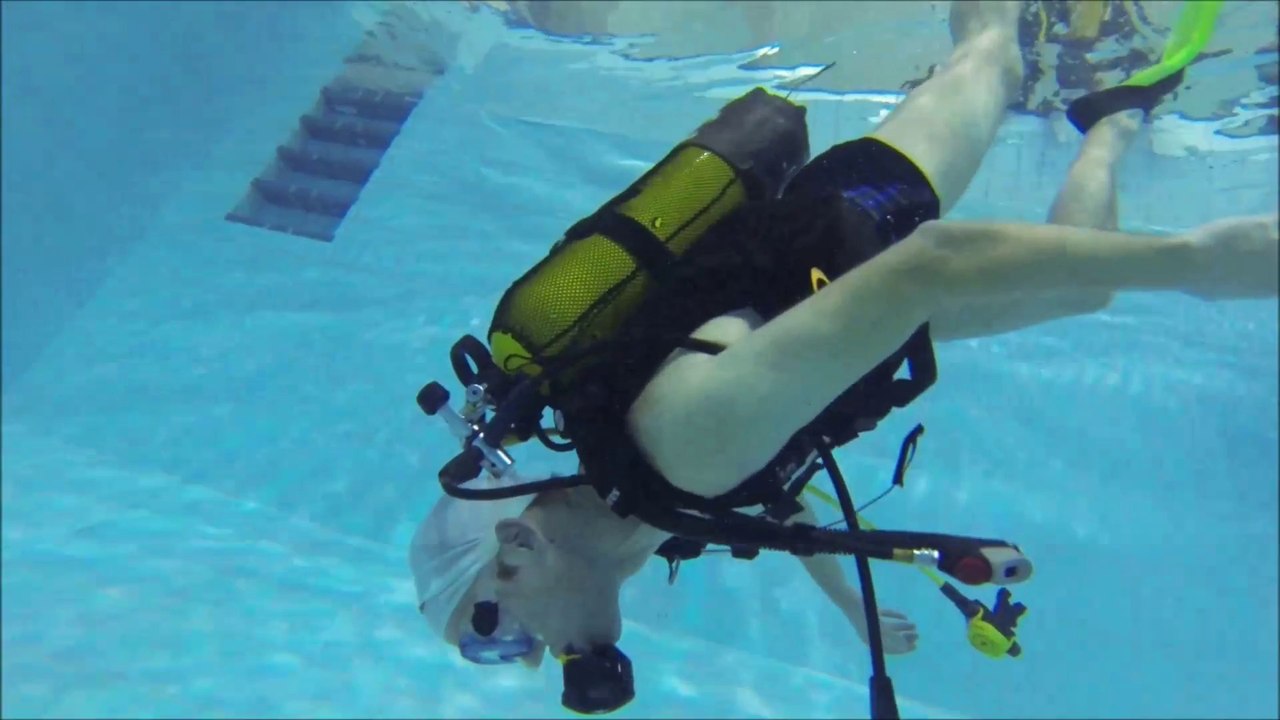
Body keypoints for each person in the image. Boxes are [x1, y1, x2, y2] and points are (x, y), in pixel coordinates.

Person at [410, 0, 1279, 710]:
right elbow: (781, 502)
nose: (531, 657)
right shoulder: (640, 503)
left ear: (515, 550)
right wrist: (852, 610)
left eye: (494, 632)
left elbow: (933, 264)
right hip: (856, 304)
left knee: (991, 59)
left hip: (859, 216)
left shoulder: (681, 449)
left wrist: (1195, 262)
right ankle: (1109, 125)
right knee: (1081, 287)